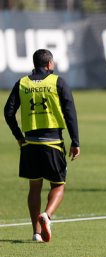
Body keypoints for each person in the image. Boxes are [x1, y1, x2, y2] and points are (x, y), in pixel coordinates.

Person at [4, 49, 80, 242]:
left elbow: (8, 112)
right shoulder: (57, 82)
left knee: (34, 187)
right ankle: (47, 215)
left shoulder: (22, 83)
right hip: (52, 142)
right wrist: (75, 141)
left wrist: (19, 136)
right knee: (58, 185)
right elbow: (70, 112)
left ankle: (36, 233)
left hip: (29, 143)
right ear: (49, 65)